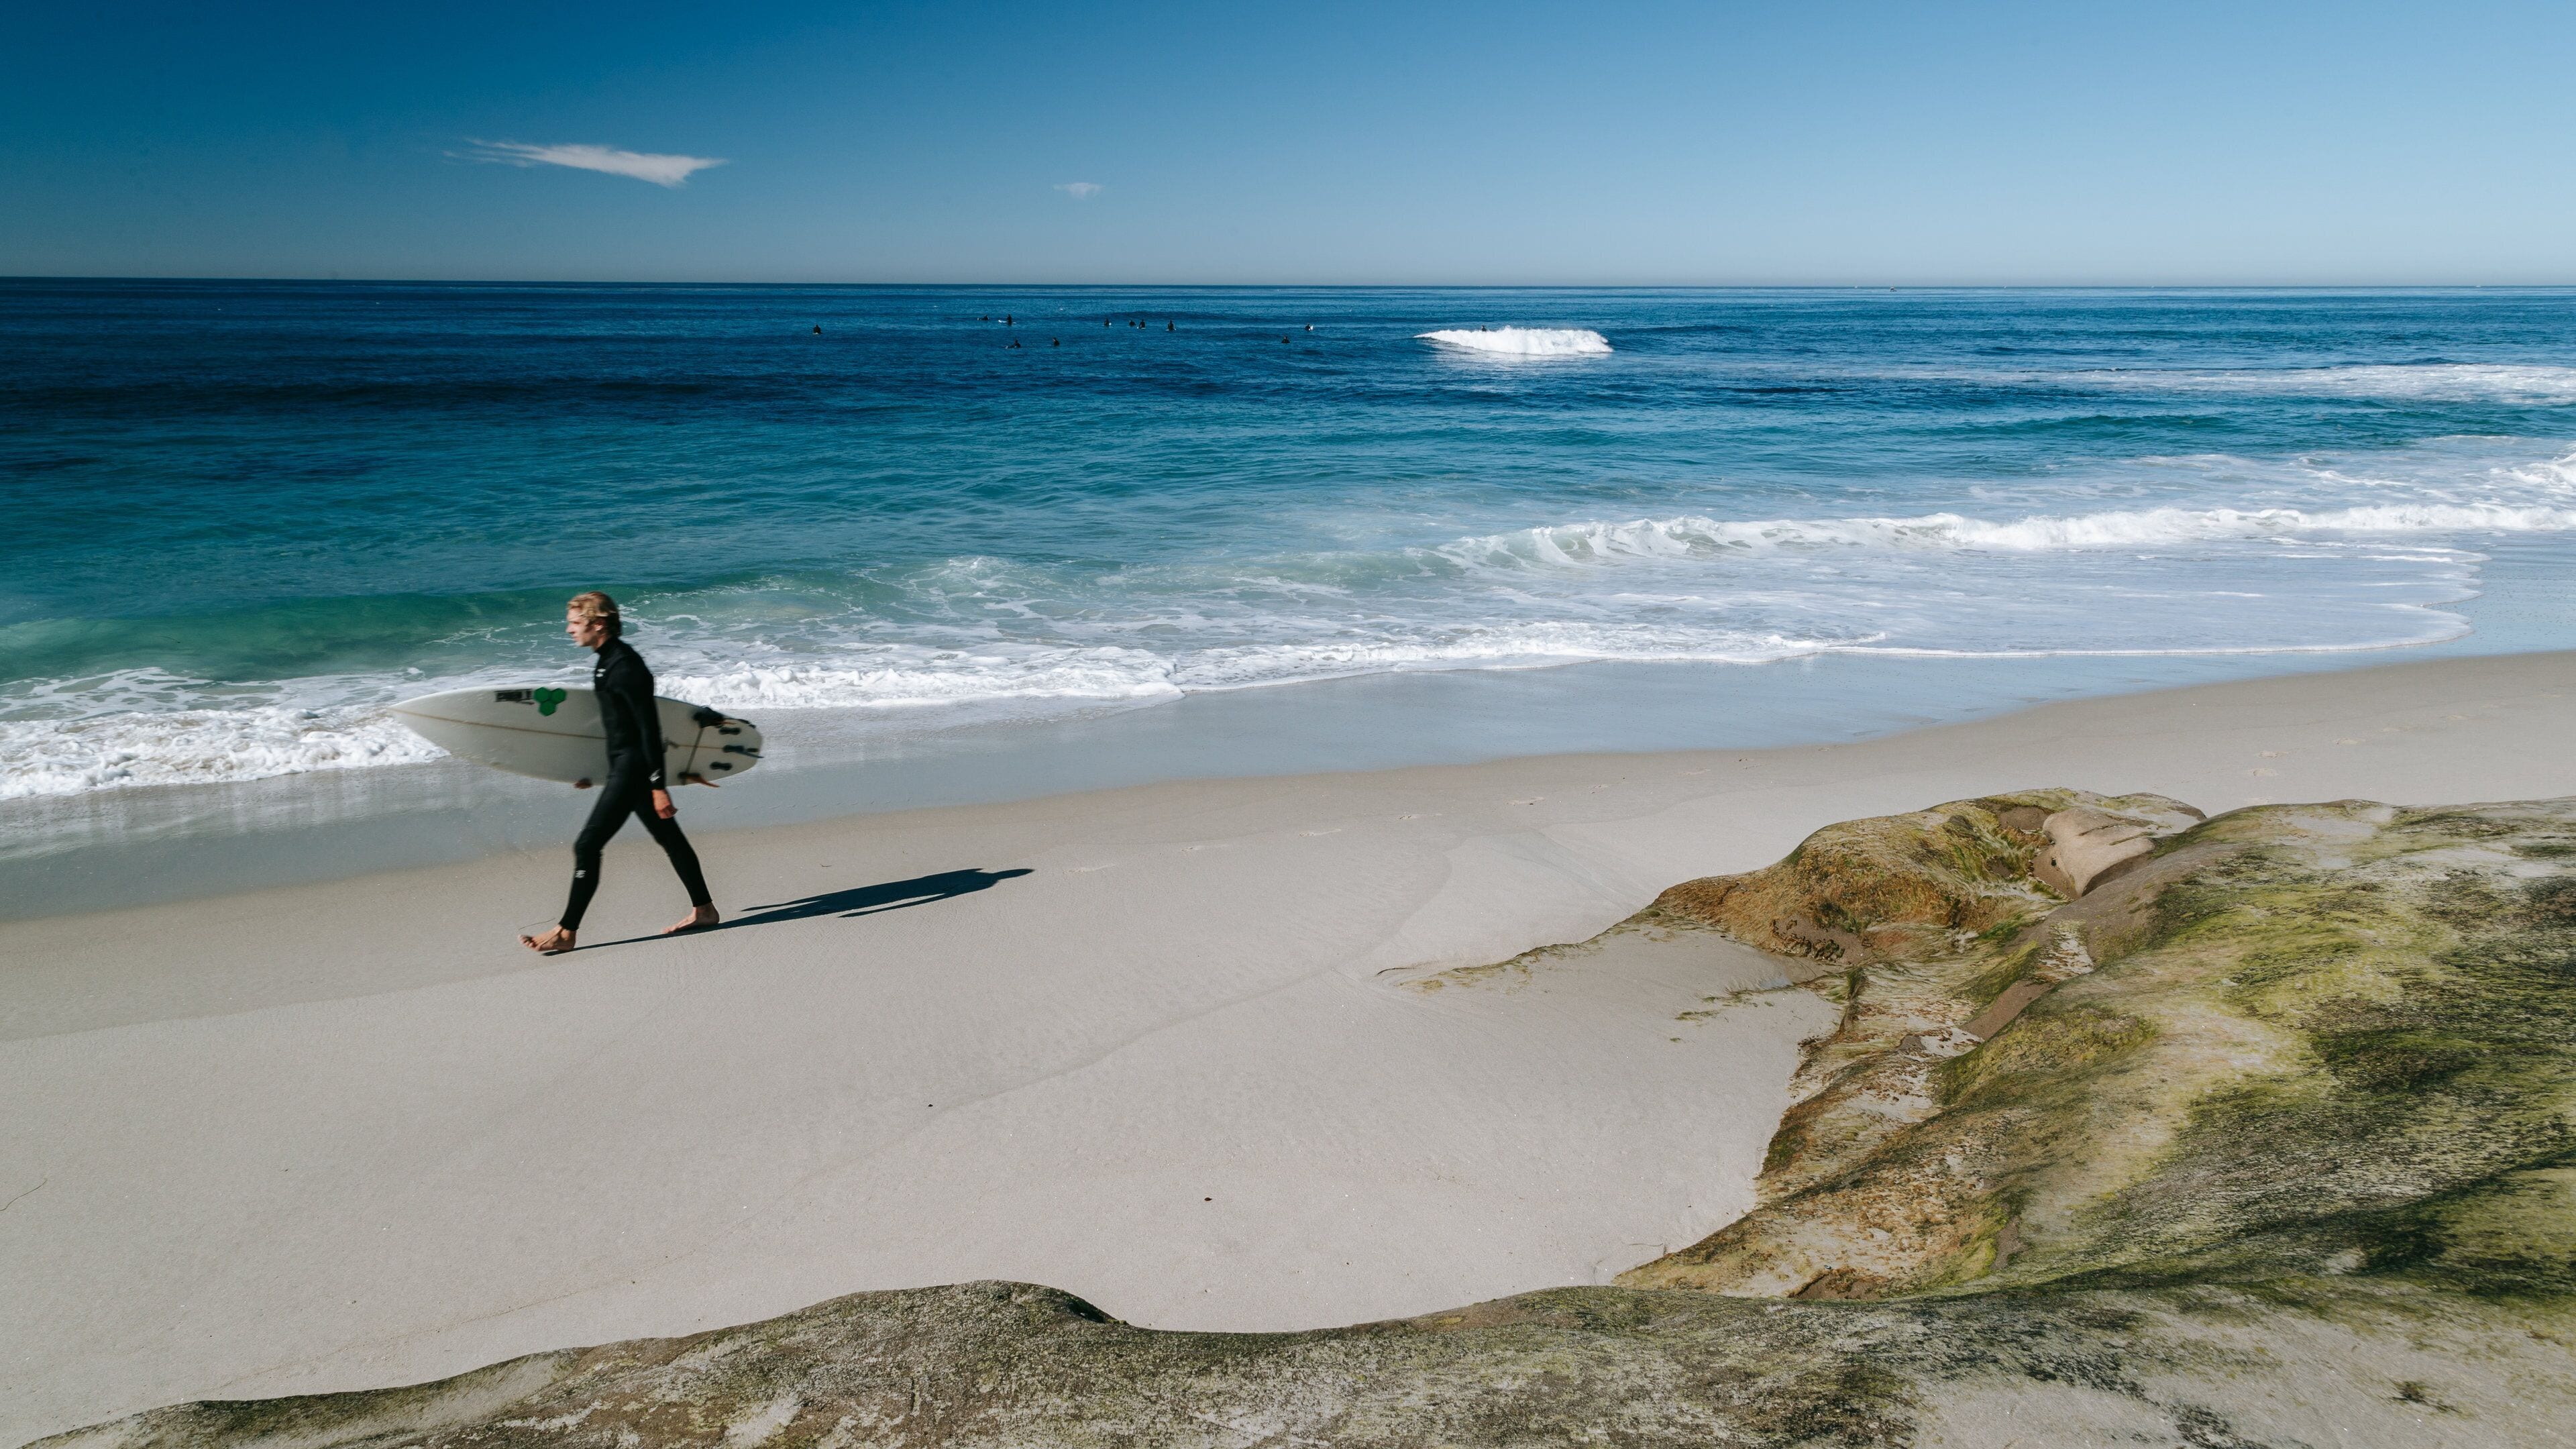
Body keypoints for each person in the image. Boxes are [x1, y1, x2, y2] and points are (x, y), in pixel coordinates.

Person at [520, 592, 718, 954]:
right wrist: (594, 771)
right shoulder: (605, 662)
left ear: (598, 624)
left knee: (587, 845)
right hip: (624, 766)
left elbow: (648, 730)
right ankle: (704, 910)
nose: (569, 630)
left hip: (634, 769)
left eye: (575, 623)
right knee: (670, 840)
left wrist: (658, 787)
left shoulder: (626, 667)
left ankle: (566, 931)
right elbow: (616, 729)